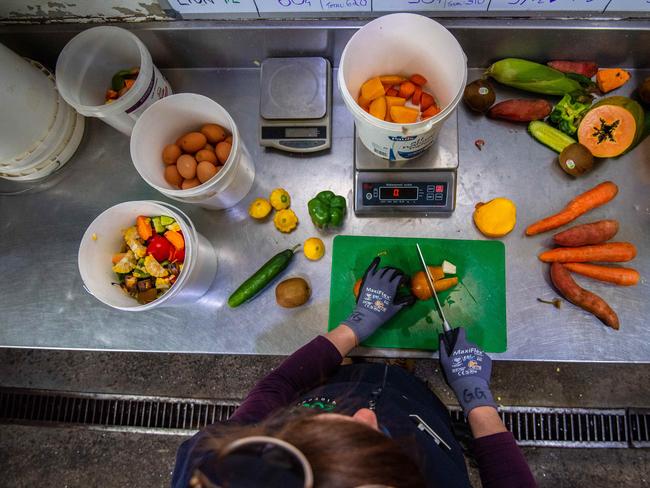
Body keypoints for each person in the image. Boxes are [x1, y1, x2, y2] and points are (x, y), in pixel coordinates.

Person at [172, 258, 536, 488]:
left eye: (316, 433)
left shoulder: (214, 468)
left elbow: (278, 387)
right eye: (379, 463)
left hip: (337, 381)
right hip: (423, 410)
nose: (367, 415)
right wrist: (476, 398)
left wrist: (356, 325)